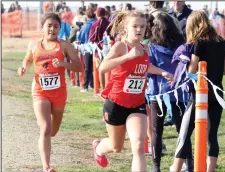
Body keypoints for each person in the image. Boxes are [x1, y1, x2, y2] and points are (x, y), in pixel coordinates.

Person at [92, 11, 173, 172]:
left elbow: (144, 66)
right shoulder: (120, 46)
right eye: (135, 26)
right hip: (116, 104)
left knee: (138, 146)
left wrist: (161, 72)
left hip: (137, 104)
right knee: (116, 146)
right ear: (126, 28)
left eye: (142, 26)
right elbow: (103, 68)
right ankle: (99, 148)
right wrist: (127, 56)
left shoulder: (145, 48)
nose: (139, 29)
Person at [17, 13, 82, 172]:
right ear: (43, 27)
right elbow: (28, 59)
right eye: (49, 25)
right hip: (40, 91)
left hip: (59, 93)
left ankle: (47, 136)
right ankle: (46, 167)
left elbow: (78, 66)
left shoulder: (65, 45)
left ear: (60, 28)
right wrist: (24, 67)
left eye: (56, 26)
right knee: (45, 128)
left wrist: (62, 63)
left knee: (53, 131)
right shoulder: (33, 44)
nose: (52, 29)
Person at [171, 10, 225, 172]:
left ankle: (175, 168)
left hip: (199, 95)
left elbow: (193, 69)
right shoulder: (222, 42)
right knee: (212, 136)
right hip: (217, 94)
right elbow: (224, 70)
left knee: (185, 132)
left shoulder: (199, 43)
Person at [146, 12, 191, 172]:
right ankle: (189, 164)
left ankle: (156, 166)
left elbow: (147, 71)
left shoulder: (150, 48)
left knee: (156, 131)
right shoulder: (183, 46)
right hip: (180, 93)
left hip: (157, 94)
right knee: (183, 129)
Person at [77, 8, 97, 92]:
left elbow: (80, 38)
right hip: (97, 48)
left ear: (87, 16)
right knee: (94, 68)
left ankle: (85, 86)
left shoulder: (86, 25)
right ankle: (93, 84)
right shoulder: (97, 23)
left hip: (87, 49)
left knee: (87, 68)